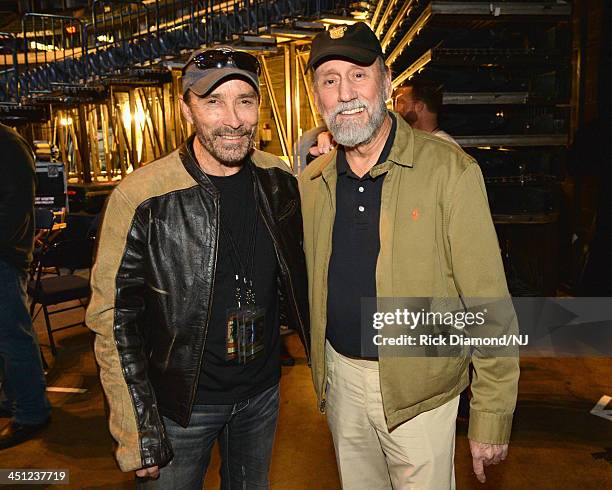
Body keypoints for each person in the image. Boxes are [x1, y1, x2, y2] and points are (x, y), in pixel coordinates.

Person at [299, 23, 519, 489]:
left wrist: (492, 413)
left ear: (387, 80)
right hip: (341, 383)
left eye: (359, 75)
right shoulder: (312, 183)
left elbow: (489, 303)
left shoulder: (449, 173)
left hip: (421, 394)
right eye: (330, 80)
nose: (346, 92)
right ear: (317, 95)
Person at [86, 47, 309, 489]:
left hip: (261, 395)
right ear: (186, 109)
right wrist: (139, 432)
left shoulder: (279, 180)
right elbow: (113, 320)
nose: (233, 119)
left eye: (244, 100)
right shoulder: (143, 197)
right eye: (213, 102)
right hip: (179, 408)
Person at [0, 123, 51, 450]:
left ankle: (31, 411)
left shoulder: (7, 144)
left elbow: (14, 206)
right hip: (7, 252)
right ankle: (17, 398)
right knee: (8, 337)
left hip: (4, 255)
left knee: (13, 336)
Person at [311, 79, 458, 157]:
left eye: (400, 102)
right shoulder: (406, 143)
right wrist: (331, 138)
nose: (394, 107)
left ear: (418, 106)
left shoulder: (444, 149)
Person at [392, 79, 459, 145]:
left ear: (419, 106)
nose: (395, 109)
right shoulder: (416, 143)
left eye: (401, 102)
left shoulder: (442, 145)